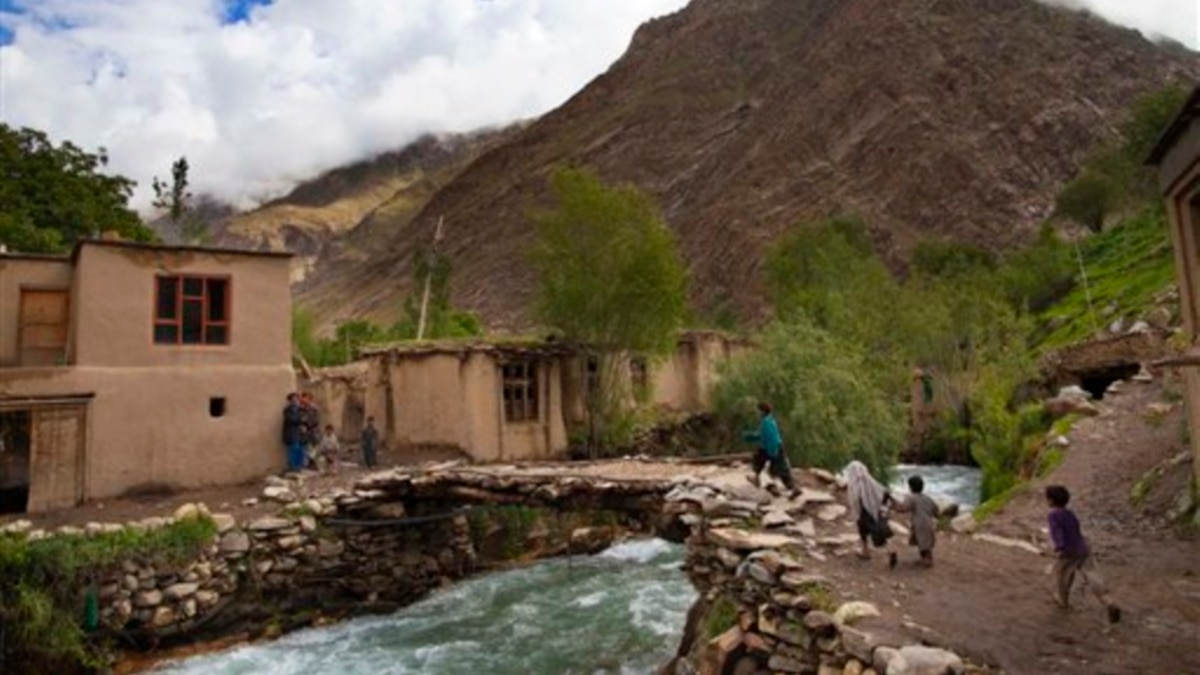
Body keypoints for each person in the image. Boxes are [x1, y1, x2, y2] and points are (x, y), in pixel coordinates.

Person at [1045, 485, 1121, 623]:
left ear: (1050, 500)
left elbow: (1057, 532)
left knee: (1063, 576)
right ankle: (1108, 601)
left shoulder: (1053, 515)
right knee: (1092, 575)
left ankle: (1063, 601)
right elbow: (1076, 529)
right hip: (1083, 549)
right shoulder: (1070, 513)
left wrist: (1059, 547)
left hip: (1068, 551)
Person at [845, 460, 897, 568]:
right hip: (877, 511)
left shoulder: (855, 485)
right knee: (881, 531)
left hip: (865, 513)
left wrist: (857, 512)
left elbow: (855, 501)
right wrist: (883, 507)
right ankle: (891, 549)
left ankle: (866, 551)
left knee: (863, 531)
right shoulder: (870, 481)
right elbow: (884, 492)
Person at [742, 402, 798, 496]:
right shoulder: (766, 421)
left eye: (758, 411)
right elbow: (762, 435)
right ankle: (756, 478)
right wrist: (750, 436)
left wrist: (773, 452)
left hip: (773, 448)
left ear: (763, 411)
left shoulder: (767, 422)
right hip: (766, 448)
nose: (757, 413)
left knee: (781, 469)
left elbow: (772, 438)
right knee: (757, 461)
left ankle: (793, 488)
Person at [891, 474, 937, 567]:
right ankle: (925, 558)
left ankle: (928, 560)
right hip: (929, 522)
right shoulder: (928, 498)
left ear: (910, 487)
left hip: (919, 524)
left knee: (923, 543)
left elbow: (903, 508)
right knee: (924, 542)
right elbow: (936, 510)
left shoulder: (911, 497)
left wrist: (893, 505)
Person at [281, 393, 305, 472]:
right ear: (290, 400)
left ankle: (299, 466)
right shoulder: (287, 410)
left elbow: (305, 419)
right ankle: (293, 467)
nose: (295, 400)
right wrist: (300, 420)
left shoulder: (300, 409)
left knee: (300, 450)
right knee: (293, 450)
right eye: (293, 399)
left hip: (300, 433)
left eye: (296, 399)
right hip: (291, 433)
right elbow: (291, 420)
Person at [299, 392, 321, 470]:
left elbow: (316, 419)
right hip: (305, 431)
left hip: (312, 430)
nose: (303, 400)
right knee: (305, 447)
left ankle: (312, 462)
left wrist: (314, 427)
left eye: (306, 398)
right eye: (303, 398)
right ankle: (307, 464)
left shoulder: (313, 408)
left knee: (313, 447)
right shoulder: (301, 408)